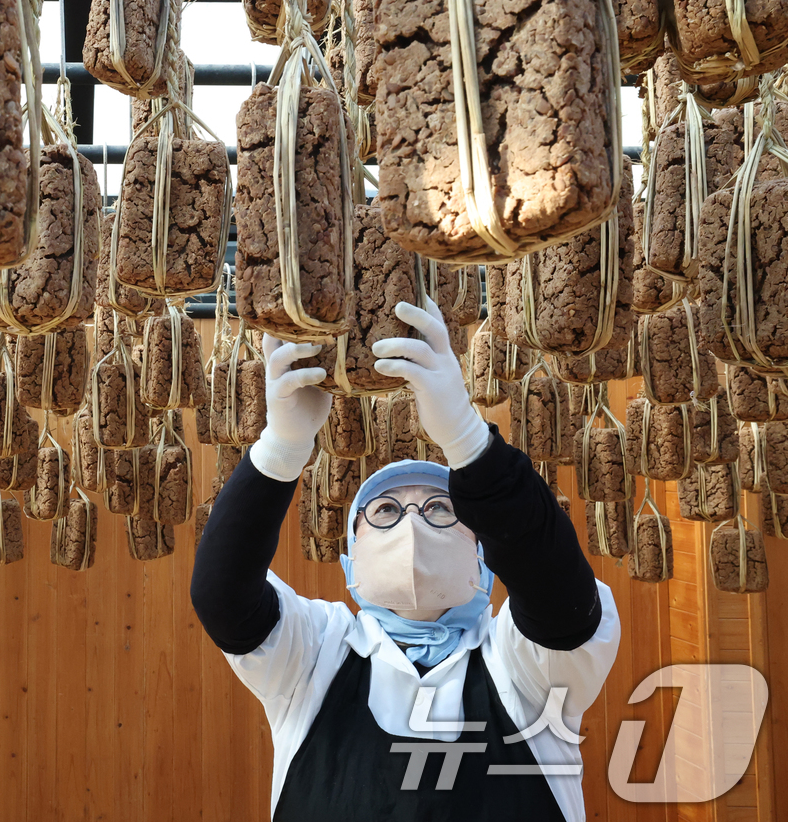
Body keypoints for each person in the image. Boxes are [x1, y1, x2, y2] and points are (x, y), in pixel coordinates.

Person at [191, 298, 620, 821]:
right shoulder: (315, 655)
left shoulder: (523, 662)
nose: (412, 524)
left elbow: (560, 598)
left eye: (441, 509)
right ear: (350, 562)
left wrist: (467, 438)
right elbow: (223, 596)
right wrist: (281, 446)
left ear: (484, 560)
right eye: (387, 511)